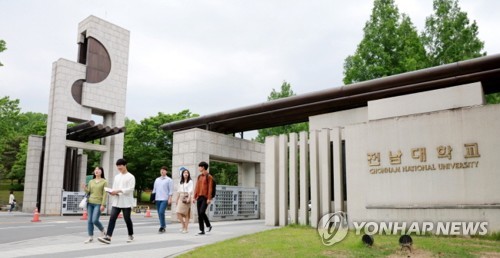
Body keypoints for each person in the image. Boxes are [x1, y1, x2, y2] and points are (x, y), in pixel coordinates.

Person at [98, 159, 136, 244]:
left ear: (125, 165)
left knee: (127, 219)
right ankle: (108, 237)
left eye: (120, 165)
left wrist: (118, 191)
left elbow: (130, 189)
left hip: (126, 202)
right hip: (116, 201)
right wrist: (112, 192)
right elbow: (114, 188)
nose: (119, 167)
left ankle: (130, 234)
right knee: (112, 218)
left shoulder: (131, 177)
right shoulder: (117, 177)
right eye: (117, 166)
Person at [82, 166, 108, 244]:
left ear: (101, 172)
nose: (97, 171)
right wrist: (84, 188)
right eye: (96, 169)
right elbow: (88, 192)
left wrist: (103, 204)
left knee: (95, 220)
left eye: (99, 169)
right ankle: (90, 237)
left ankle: (103, 230)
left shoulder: (104, 181)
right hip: (90, 202)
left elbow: (105, 194)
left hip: (98, 203)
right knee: (89, 221)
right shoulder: (91, 181)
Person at [193, 161, 214, 235]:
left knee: (202, 212)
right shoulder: (199, 176)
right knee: (199, 214)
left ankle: (208, 225)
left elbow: (210, 188)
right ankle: (202, 230)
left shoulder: (209, 177)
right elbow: (196, 187)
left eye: (199, 166)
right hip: (199, 197)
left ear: (203, 167)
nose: (198, 168)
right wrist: (194, 197)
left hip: (205, 197)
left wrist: (209, 198)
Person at [152, 166, 173, 233]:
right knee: (159, 213)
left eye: (164, 170)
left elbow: (171, 190)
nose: (162, 171)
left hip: (165, 199)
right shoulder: (157, 179)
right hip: (157, 198)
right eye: (161, 170)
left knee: (161, 212)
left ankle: (162, 226)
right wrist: (153, 198)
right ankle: (162, 226)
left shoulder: (169, 180)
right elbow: (154, 190)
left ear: (166, 171)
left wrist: (170, 198)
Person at [176, 168, 193, 233]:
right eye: (184, 173)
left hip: (186, 197)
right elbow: (178, 191)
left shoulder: (190, 181)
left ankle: (186, 228)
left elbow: (190, 191)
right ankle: (183, 225)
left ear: (188, 174)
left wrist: (189, 198)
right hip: (181, 197)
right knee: (178, 212)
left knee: (186, 214)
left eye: (187, 173)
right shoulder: (180, 181)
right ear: (182, 174)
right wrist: (177, 199)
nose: (186, 174)